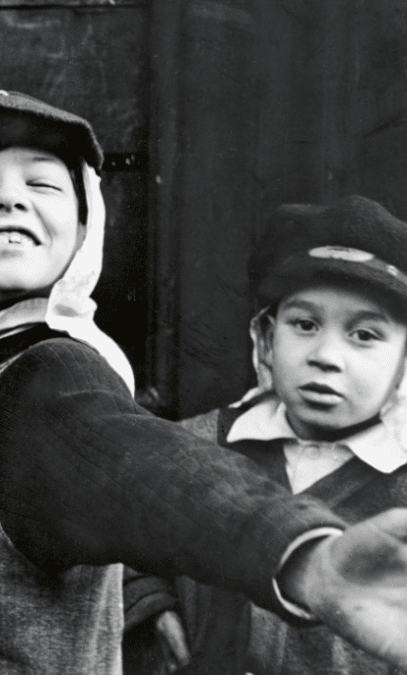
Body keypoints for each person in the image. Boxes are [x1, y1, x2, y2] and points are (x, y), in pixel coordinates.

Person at [0, 89, 407, 674]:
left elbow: (159, 473)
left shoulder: (47, 379)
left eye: (43, 184)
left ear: (80, 237)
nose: (8, 198)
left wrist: (307, 559)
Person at [125, 195, 407, 674]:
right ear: (266, 337)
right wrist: (150, 602)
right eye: (305, 324)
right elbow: (127, 531)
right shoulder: (195, 445)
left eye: (364, 335)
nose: (325, 355)